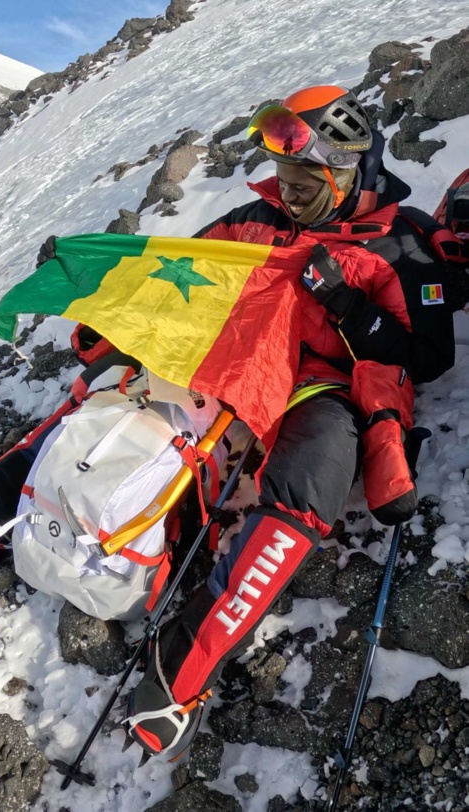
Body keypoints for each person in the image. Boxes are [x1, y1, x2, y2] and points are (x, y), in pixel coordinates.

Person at [122, 85, 462, 760]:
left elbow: (424, 357)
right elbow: (176, 273)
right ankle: (11, 487)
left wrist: (343, 304)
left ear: (345, 172)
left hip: (320, 388)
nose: (287, 194)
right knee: (126, 395)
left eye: (302, 183)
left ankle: (183, 666)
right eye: (281, 179)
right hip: (237, 370)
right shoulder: (256, 215)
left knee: (310, 488)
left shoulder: (404, 241)